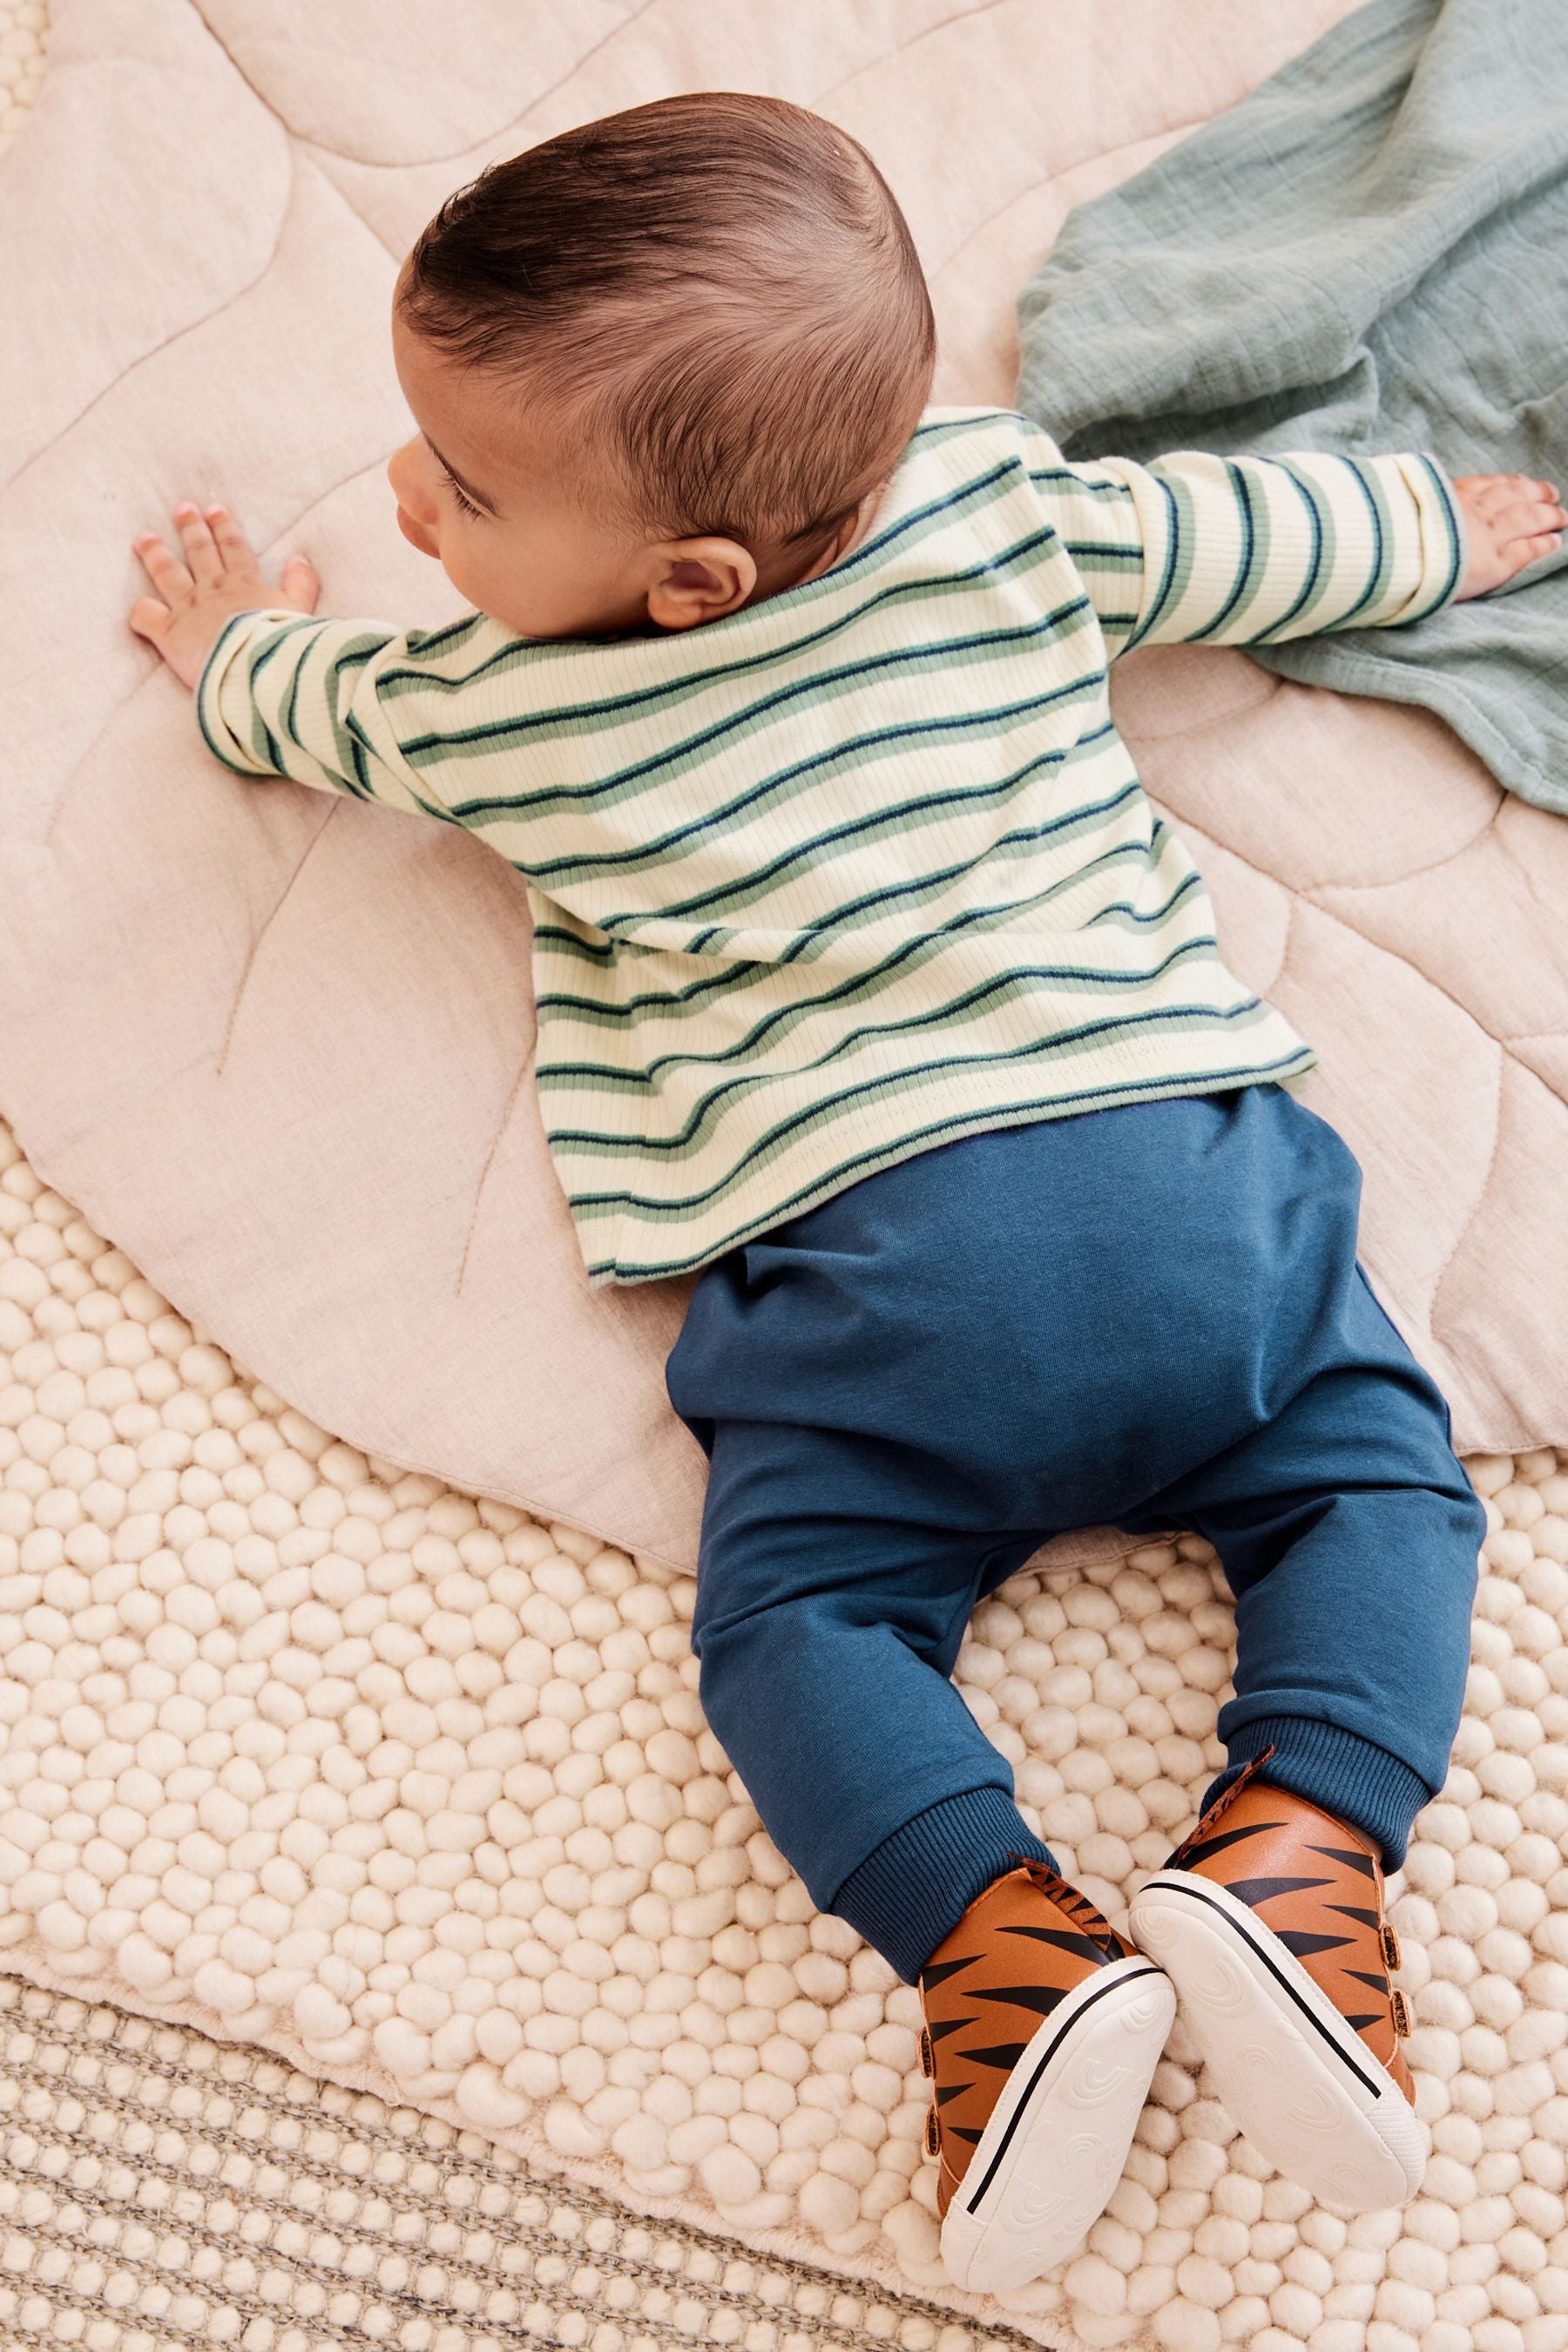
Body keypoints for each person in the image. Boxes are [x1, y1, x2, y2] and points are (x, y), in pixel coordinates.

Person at [127, 91, 1533, 2293]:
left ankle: (999, 1953)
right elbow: (1244, 540)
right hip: (1187, 1189)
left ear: (684, 587)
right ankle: (1302, 1852)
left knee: (795, 1624)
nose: (406, 500)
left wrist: (228, 640)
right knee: (1377, 1482)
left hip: (874, 1283)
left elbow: (289, 716)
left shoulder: (500, 710)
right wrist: (1442, 535)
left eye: (464, 488)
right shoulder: (998, 506)